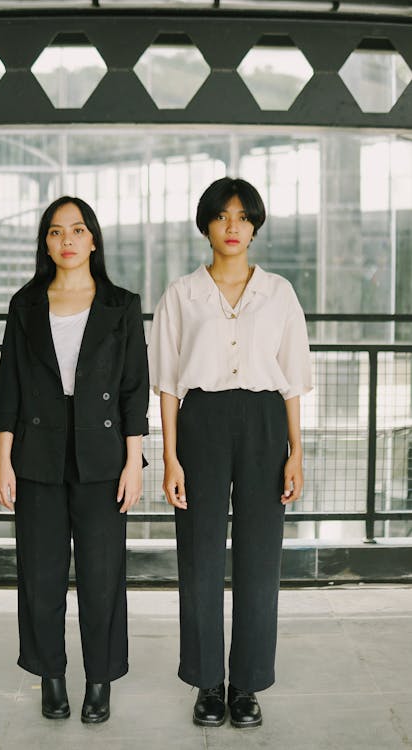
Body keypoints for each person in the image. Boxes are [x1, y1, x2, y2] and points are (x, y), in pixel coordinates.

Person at [148, 177, 312, 729]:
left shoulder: (280, 293)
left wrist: (296, 452)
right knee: (199, 558)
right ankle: (206, 683)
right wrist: (170, 458)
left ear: (256, 225)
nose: (233, 226)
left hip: (266, 422)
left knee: (260, 558)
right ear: (206, 225)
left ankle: (245, 685)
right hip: (201, 424)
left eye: (243, 216)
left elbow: (292, 380)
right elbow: (168, 385)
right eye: (222, 216)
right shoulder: (181, 295)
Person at [0, 196, 149, 724]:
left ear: (93, 240)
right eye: (56, 232)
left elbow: (134, 390)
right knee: (40, 573)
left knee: (103, 575)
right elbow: (9, 387)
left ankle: (100, 680)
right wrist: (2, 458)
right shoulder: (26, 304)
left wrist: (135, 462)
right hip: (37, 453)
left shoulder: (121, 305)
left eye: (77, 230)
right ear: (46, 242)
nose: (67, 240)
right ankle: (51, 676)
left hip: (103, 456)